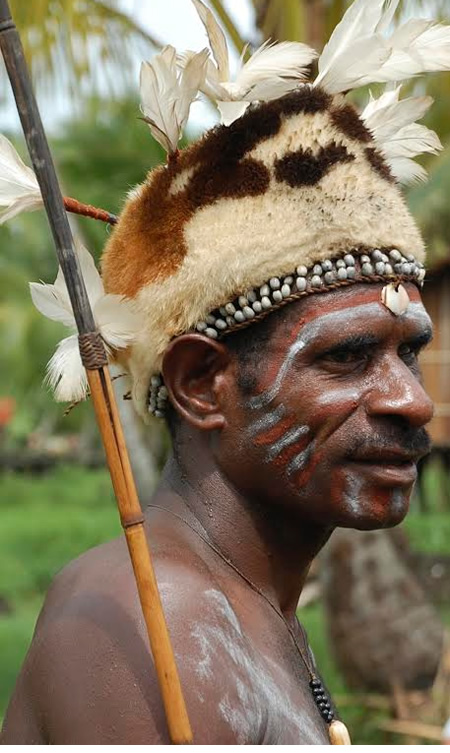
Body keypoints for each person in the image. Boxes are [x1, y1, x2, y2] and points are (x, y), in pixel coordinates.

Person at [1, 0, 449, 744]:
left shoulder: (251, 611)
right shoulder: (155, 619)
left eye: (407, 350)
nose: (411, 399)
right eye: (346, 356)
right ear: (201, 384)